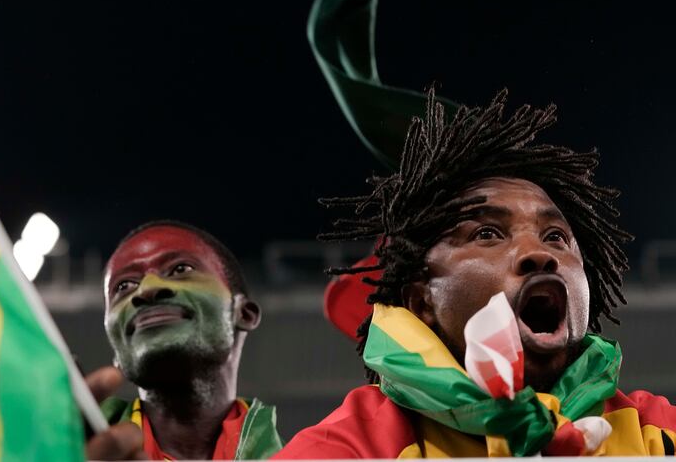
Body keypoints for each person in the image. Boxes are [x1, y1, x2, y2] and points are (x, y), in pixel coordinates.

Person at [274, 91, 676, 458]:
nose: (538, 253)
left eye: (556, 237)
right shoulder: (347, 447)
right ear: (421, 300)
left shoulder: (654, 430)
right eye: (487, 233)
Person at [93, 220, 282, 460]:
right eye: (124, 286)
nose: (147, 290)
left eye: (180, 269)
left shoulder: (302, 456)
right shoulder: (67, 446)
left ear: (244, 313)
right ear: (117, 350)